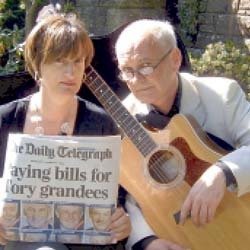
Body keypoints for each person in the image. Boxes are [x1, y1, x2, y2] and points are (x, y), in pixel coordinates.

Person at [115, 19, 250, 249]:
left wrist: (222, 173)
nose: (136, 81)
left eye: (146, 66)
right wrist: (147, 241)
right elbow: (132, 193)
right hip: (179, 236)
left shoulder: (223, 95)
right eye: (127, 71)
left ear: (175, 59)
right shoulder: (123, 117)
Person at [0, 13, 131, 250]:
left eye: (78, 61)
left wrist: (121, 221)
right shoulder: (5, 119)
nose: (71, 73)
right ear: (38, 63)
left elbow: (117, 197)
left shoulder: (102, 124)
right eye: (60, 61)